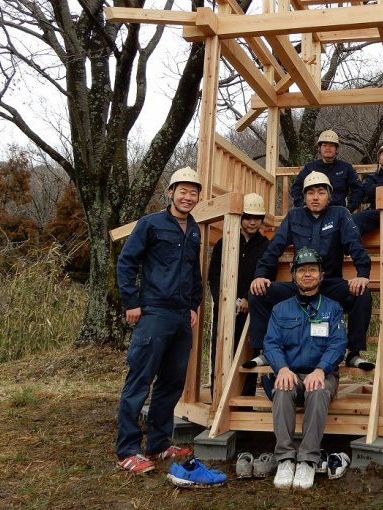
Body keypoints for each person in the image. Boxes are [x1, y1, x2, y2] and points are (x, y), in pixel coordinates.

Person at [114, 167, 203, 475]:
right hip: (153, 313)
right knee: (139, 380)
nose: (188, 197)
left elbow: (194, 272)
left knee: (172, 382)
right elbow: (126, 262)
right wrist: (132, 303)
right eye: (183, 191)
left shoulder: (194, 229)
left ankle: (159, 444)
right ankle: (127, 450)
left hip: (181, 316)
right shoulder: (151, 224)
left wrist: (193, 305)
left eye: (193, 193)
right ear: (170, 193)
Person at [245, 171, 375, 371]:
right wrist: (260, 275)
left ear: (329, 196)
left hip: (330, 285)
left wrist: (363, 275)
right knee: (258, 293)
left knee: (362, 294)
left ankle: (354, 352)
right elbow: (273, 249)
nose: (315, 197)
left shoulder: (340, 214)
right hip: (299, 287)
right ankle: (265, 351)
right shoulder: (294, 216)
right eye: (310, 193)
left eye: (321, 192)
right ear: (304, 197)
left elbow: (356, 246)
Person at [264, 247, 347, 490]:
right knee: (282, 389)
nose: (307, 274)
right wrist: (281, 368)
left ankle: (308, 460)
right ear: (293, 275)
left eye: (312, 269)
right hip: (290, 371)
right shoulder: (281, 309)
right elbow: (271, 343)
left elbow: (338, 343)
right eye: (302, 270)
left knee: (318, 390)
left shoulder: (332, 308)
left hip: (322, 373)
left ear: (321, 275)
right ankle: (286, 459)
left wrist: (321, 369)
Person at [208, 192, 270, 395]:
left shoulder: (265, 246)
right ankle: (217, 397)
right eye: (248, 217)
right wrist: (222, 301)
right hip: (225, 309)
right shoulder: (224, 242)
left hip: (250, 309)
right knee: (220, 352)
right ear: (241, 217)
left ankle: (244, 401)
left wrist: (248, 298)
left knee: (247, 354)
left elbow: (267, 275)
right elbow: (214, 275)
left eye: (257, 218)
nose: (253, 222)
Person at [289, 129, 361, 209]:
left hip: (337, 212)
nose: (328, 148)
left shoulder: (346, 168)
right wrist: (303, 206)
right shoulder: (309, 168)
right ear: (319, 148)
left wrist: (349, 209)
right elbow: (296, 188)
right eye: (324, 145)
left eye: (331, 145)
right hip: (314, 212)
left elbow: (358, 189)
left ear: (336, 149)